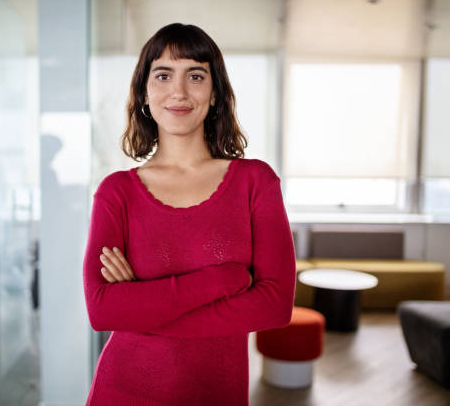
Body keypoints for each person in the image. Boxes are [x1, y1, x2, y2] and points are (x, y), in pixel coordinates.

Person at [82, 23, 296, 406]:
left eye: (195, 76)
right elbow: (102, 310)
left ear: (214, 94)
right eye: (163, 75)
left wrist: (141, 307)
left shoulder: (255, 181)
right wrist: (223, 279)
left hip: (218, 392)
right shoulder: (117, 192)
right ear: (144, 93)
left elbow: (275, 305)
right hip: (124, 389)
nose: (178, 91)